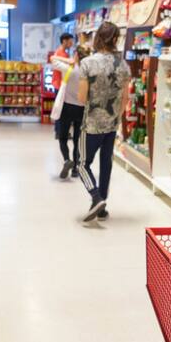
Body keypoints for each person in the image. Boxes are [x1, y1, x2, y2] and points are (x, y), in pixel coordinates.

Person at [76, 21, 131, 221]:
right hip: (112, 124)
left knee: (81, 164)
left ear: (98, 37)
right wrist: (115, 116)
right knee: (106, 163)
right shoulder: (123, 65)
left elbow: (82, 98)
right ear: (116, 39)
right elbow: (125, 98)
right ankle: (102, 205)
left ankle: (96, 197)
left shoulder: (88, 63)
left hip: (91, 124)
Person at [51, 45, 91, 179]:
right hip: (81, 108)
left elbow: (52, 58)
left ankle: (67, 159)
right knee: (77, 140)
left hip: (67, 108)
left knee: (62, 138)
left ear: (76, 56)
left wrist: (68, 61)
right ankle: (75, 169)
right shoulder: (88, 72)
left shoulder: (68, 68)